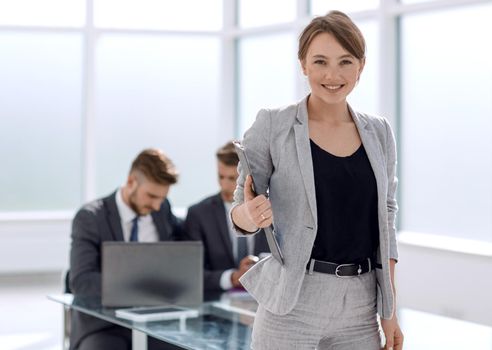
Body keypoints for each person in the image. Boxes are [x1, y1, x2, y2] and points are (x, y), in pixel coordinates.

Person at [231, 10, 404, 350]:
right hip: (292, 303)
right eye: (320, 61)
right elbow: (240, 209)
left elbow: (386, 219)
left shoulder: (379, 132)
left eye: (345, 62)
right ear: (303, 65)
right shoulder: (272, 125)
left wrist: (389, 309)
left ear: (361, 66)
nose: (332, 75)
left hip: (359, 306)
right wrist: (249, 216)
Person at [69, 148, 184, 350]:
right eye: (151, 196)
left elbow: (182, 251)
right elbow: (82, 281)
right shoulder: (90, 218)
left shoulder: (161, 210)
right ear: (131, 182)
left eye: (161, 198)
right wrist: (138, 285)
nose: (156, 205)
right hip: (104, 325)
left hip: (155, 322)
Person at [185, 141, 269, 292]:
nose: (224, 185)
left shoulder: (269, 208)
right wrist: (233, 277)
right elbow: (191, 273)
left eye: (232, 179)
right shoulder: (198, 214)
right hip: (216, 303)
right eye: (220, 176)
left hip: (265, 300)